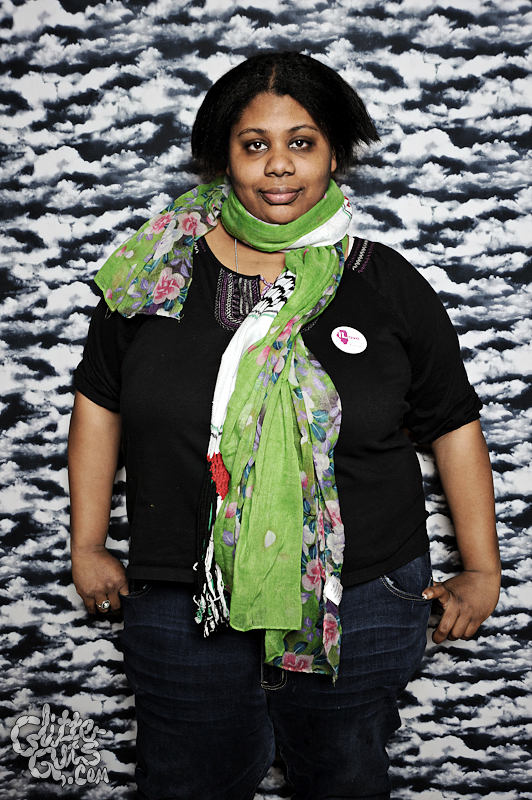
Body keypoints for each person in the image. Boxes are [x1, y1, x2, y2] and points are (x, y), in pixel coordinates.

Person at [68, 52, 500, 800]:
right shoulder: (153, 274)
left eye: (301, 142)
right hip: (182, 600)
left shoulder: (386, 282)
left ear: (334, 153)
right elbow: (99, 404)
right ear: (223, 157)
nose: (278, 166)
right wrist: (87, 543)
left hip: (362, 600)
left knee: (344, 781)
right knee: (187, 785)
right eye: (254, 144)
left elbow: (454, 425)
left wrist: (483, 569)